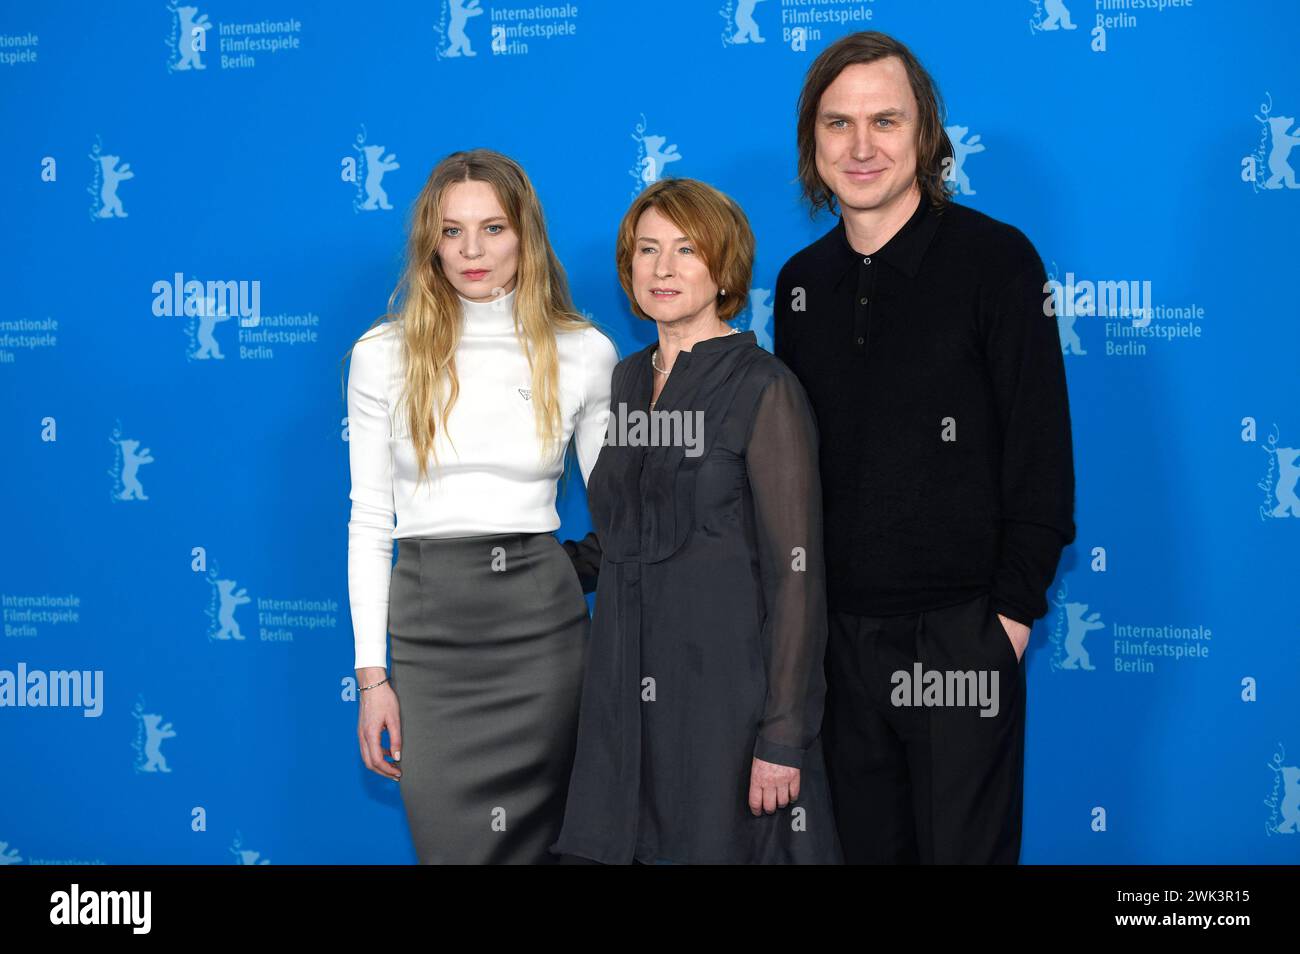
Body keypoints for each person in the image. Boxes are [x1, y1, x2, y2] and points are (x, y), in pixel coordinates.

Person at [774, 31, 1076, 864]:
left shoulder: (996, 261)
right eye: (838, 124)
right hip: (839, 645)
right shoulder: (800, 286)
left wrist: (1007, 620)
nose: (861, 146)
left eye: (886, 121)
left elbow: (1040, 454)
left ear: (926, 136)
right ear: (813, 142)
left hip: (961, 636)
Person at [551, 177, 842, 864]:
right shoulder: (626, 381)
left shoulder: (764, 387)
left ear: (724, 268)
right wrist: (518, 566)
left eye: (686, 249)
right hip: (624, 692)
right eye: (647, 250)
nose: (663, 268)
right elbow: (626, 535)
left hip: (726, 703)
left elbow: (797, 576)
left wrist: (782, 736)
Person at [343, 148, 618, 863]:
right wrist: (372, 678)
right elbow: (372, 522)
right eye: (451, 230)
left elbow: (624, 516)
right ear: (429, 241)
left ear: (524, 234)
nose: (472, 250)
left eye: (492, 229)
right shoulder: (383, 354)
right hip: (430, 641)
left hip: (543, 638)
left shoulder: (583, 352)